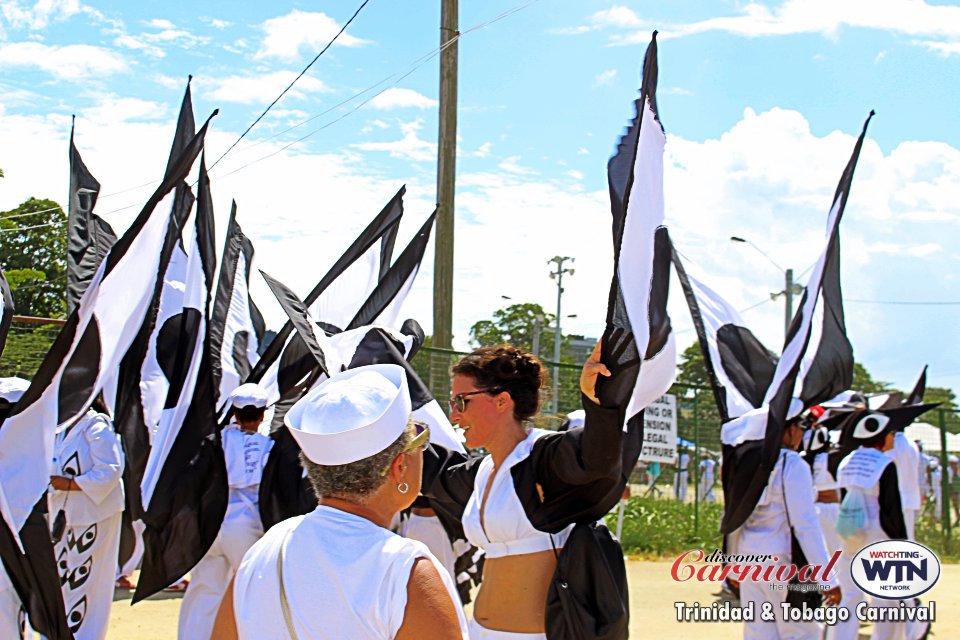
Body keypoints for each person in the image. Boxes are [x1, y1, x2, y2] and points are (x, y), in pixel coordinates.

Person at [215, 364, 467, 639]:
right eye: (419, 437)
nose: (424, 447)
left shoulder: (258, 555)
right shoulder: (407, 572)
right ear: (399, 467)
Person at [420, 339, 638, 638]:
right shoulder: (482, 471)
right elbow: (432, 473)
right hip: (479, 632)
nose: (454, 416)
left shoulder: (545, 457)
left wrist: (598, 404)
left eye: (461, 401)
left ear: (501, 401)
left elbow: (598, 458)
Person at [727, 408, 841, 640]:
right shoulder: (792, 463)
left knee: (758, 632)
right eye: (800, 427)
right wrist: (826, 577)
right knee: (801, 631)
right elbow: (805, 525)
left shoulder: (746, 461)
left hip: (750, 558)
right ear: (788, 430)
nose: (801, 434)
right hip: (783, 561)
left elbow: (732, 518)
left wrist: (732, 562)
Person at [178, 383, 273, 640]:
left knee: (204, 589)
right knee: (252, 590)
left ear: (234, 412)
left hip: (210, 522)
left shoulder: (212, 443)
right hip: (246, 524)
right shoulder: (269, 447)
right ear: (263, 414)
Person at [49, 396, 125, 640]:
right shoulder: (58, 427)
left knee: (85, 582)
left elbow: (110, 472)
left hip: (94, 515)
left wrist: (68, 484)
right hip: (62, 515)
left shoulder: (97, 426)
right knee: (60, 579)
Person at [832, 410, 910, 640]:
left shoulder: (846, 461)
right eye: (891, 434)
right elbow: (890, 507)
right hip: (877, 533)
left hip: (848, 530)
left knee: (850, 594)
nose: (893, 438)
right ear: (881, 436)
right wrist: (900, 541)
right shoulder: (885, 463)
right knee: (885, 599)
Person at [885, 430, 923, 539]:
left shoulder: (893, 445)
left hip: (897, 498)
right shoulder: (911, 444)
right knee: (908, 536)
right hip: (910, 497)